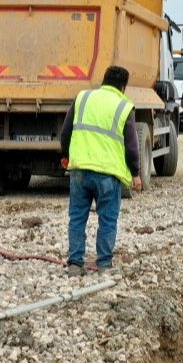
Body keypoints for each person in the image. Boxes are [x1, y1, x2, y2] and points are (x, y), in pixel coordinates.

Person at [59, 65, 143, 277]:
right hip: (107, 174)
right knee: (107, 219)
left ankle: (75, 265)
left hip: (79, 170)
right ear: (123, 87)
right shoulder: (124, 106)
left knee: (77, 218)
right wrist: (136, 173)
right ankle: (104, 264)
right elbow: (132, 146)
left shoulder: (83, 98)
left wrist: (67, 156)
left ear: (103, 80)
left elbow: (65, 133)